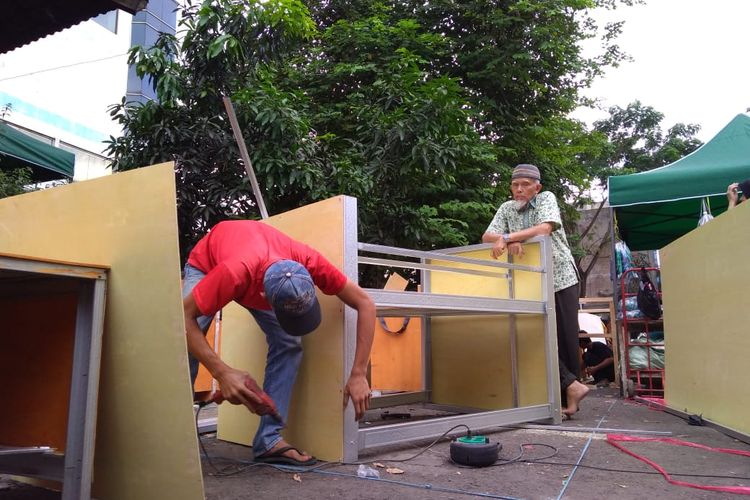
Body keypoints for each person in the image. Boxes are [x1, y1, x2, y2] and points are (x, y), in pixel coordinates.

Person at [182, 220, 375, 466]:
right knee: (184, 342)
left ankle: (268, 440)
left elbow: (365, 303)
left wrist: (358, 372)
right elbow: (182, 320)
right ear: (264, 297)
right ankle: (175, 439)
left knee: (289, 343)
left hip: (254, 262)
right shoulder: (233, 273)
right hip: (208, 264)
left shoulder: (308, 260)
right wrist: (222, 372)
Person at [482, 163, 589, 417]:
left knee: (565, 338)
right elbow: (487, 235)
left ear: (536, 187)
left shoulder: (546, 199)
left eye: (525, 185)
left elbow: (545, 229)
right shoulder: (507, 208)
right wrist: (511, 238)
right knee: (532, 337)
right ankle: (569, 388)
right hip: (529, 283)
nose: (519, 190)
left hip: (560, 277)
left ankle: (569, 402)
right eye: (515, 185)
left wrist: (509, 238)